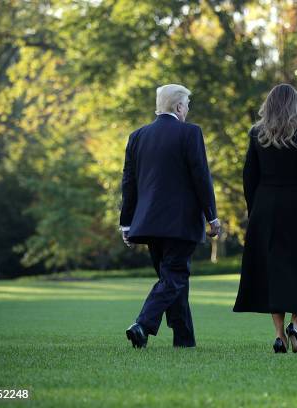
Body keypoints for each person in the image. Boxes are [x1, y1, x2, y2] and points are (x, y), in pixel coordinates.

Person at [119, 84, 221, 349]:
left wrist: (126, 223)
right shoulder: (190, 133)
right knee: (174, 278)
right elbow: (201, 177)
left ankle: (184, 340)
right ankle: (143, 324)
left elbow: (128, 183)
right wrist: (212, 216)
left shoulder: (137, 136)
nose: (188, 109)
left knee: (172, 282)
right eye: (187, 104)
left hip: (148, 223)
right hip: (181, 222)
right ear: (178, 107)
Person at [233, 84, 297, 353]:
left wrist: (255, 211)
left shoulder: (256, 133)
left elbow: (248, 175)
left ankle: (278, 335)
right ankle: (295, 326)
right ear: (296, 105)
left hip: (265, 206)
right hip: (296, 207)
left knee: (272, 271)